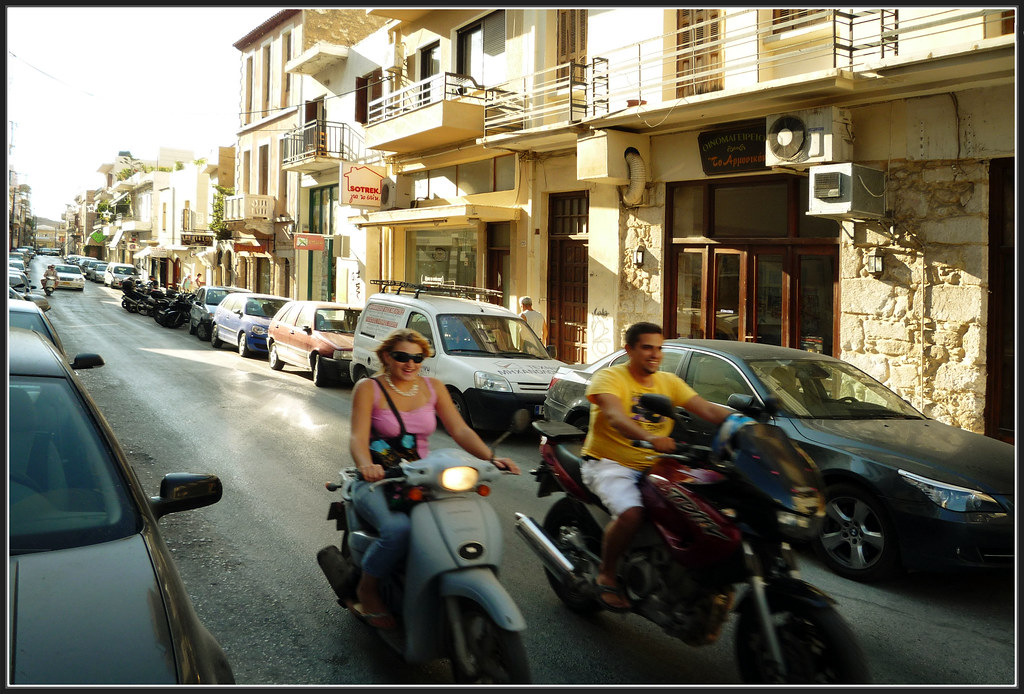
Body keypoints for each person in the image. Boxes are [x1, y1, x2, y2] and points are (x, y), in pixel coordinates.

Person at [348, 327, 521, 629]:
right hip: (379, 480)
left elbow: (460, 430)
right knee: (399, 530)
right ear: (386, 356)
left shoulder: (433, 387)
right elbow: (357, 438)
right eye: (402, 356)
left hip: (422, 476)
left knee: (455, 521)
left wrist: (490, 459)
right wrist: (366, 466)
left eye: (417, 358)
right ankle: (368, 589)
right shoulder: (368, 388)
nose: (410, 364)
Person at [579, 321, 736, 611]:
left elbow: (706, 409)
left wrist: (743, 423)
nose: (655, 354)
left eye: (659, 348)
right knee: (631, 513)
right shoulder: (609, 377)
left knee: (705, 509)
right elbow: (615, 416)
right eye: (647, 348)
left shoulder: (668, 382)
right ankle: (607, 574)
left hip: (657, 466)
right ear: (629, 350)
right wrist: (651, 438)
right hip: (610, 463)